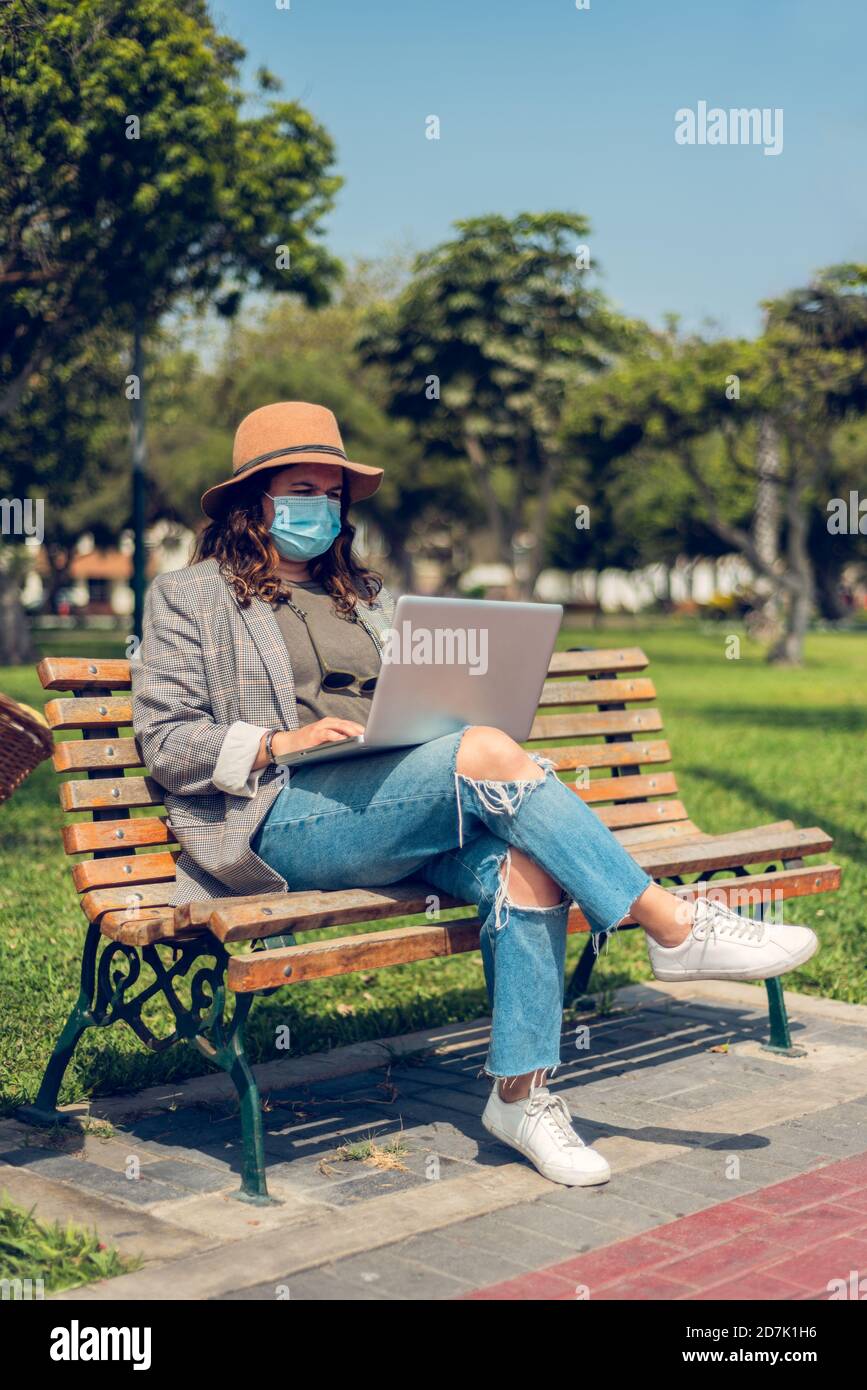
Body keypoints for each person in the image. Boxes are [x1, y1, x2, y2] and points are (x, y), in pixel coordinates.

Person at [132, 401, 819, 1189]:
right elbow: (164, 738)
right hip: (285, 816)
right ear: (252, 499)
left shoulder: (369, 596)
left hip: (404, 798)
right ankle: (670, 924)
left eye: (332, 493)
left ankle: (520, 1098)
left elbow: (420, 700)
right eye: (301, 488)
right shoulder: (191, 597)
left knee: (527, 868)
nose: (319, 508)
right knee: (489, 754)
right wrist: (275, 741)